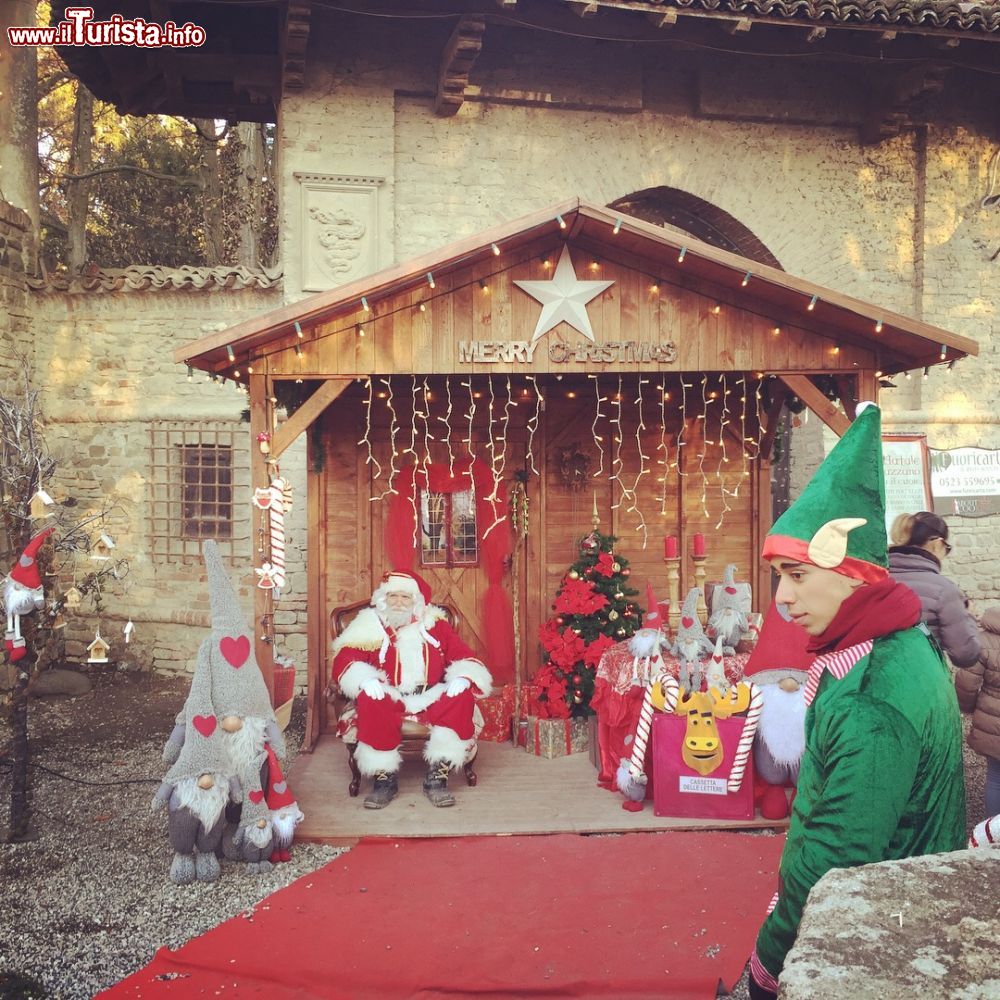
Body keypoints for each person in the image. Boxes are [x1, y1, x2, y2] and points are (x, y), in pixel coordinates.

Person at [748, 404, 966, 1000]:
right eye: (779, 579)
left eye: (796, 575)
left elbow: (837, 855)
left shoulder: (870, 699)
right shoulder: (891, 644)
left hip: (880, 929)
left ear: (853, 575)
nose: (783, 600)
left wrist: (767, 963)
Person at [331, 571, 492, 809]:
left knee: (461, 696)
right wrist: (365, 679)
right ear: (383, 598)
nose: (398, 602)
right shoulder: (368, 625)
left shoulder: (435, 625)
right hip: (388, 693)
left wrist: (464, 676)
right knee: (370, 700)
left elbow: (462, 654)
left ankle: (438, 776)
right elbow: (346, 658)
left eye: (405, 597)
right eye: (392, 596)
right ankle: (384, 779)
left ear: (416, 600)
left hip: (431, 694)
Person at [888, 510, 980, 667]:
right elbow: (965, 655)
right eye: (947, 548)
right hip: (922, 679)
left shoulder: (875, 578)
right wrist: (969, 617)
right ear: (937, 543)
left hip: (874, 680)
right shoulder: (944, 590)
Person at [955, 607, 1000, 820]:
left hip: (993, 721)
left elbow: (967, 683)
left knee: (995, 776)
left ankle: (993, 834)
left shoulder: (983, 641)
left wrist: (968, 707)